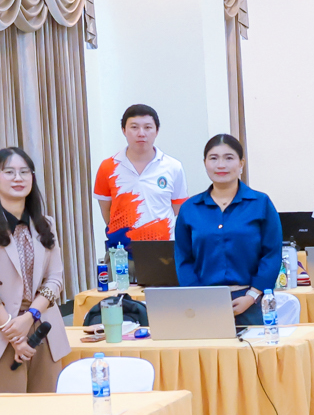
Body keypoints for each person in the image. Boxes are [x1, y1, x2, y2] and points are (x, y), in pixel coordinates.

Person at [0, 146, 69, 394]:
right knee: (10, 412)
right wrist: (15, 335)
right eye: (9, 172)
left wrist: (30, 316)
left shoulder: (45, 223)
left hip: (43, 328)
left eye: (24, 172)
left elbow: (55, 280)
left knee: (48, 410)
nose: (18, 178)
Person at [174, 134, 281, 325]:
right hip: (203, 305)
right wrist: (198, 297)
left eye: (229, 158)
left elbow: (272, 253)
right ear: (205, 163)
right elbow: (183, 258)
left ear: (241, 164)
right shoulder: (190, 208)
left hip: (252, 302)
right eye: (213, 158)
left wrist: (252, 295)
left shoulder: (261, 203)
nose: (221, 165)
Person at [94, 103, 187, 250]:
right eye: (134, 127)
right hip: (121, 250)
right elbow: (106, 210)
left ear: (157, 131)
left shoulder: (173, 167)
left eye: (148, 127)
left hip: (162, 250)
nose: (141, 133)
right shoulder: (108, 167)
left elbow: (177, 208)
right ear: (124, 130)